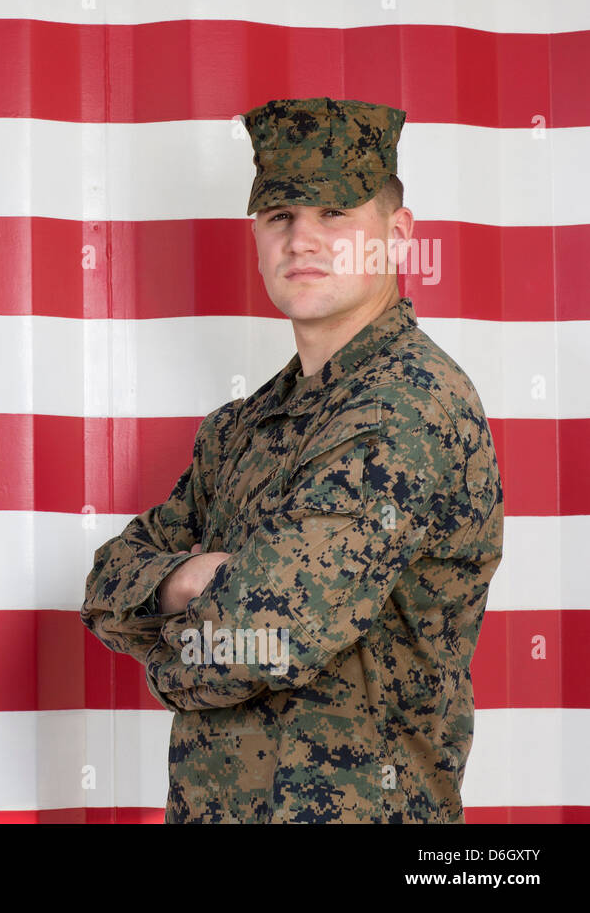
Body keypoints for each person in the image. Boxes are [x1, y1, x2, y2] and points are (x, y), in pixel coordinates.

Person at [80, 97, 504, 823]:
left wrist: (166, 640)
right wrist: (187, 579)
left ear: (396, 236)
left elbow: (268, 637)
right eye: (280, 217)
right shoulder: (240, 429)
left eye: (334, 213)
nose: (302, 239)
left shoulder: (407, 407)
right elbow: (104, 585)